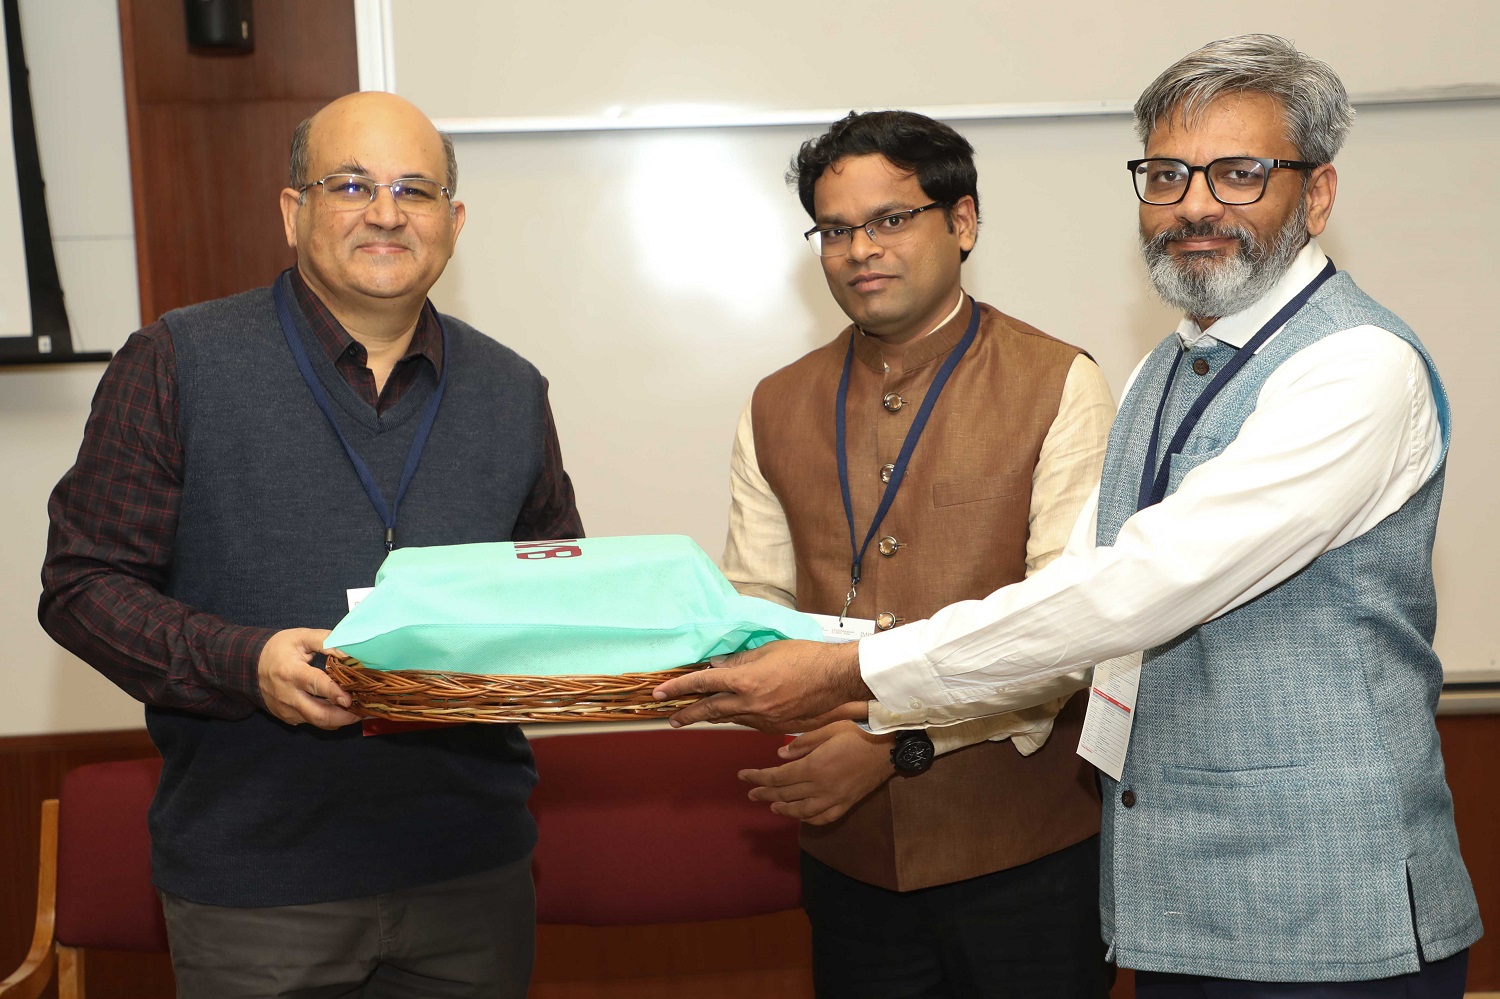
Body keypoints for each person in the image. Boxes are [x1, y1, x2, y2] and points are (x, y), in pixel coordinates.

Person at [659, 34, 1483, 996]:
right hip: (1184, 904)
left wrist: (859, 680)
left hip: (1334, 913)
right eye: (1167, 175)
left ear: (1318, 193)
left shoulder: (1355, 367)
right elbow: (1073, 593)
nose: (1196, 205)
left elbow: (1132, 590)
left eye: (1240, 174)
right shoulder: (1167, 368)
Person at [39, 92, 580, 998]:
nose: (384, 212)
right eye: (351, 184)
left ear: (453, 222)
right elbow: (83, 584)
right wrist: (244, 662)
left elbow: (554, 585)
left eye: (414, 189)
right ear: (293, 211)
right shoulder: (178, 360)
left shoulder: (511, 389)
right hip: (257, 890)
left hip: (471, 877)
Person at [720, 110, 1115, 997]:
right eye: (836, 229)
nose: (862, 249)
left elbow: (1068, 626)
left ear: (962, 222)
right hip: (847, 858)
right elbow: (754, 603)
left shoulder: (1060, 382)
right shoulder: (775, 403)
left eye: (891, 219)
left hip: (1025, 857)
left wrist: (892, 737)